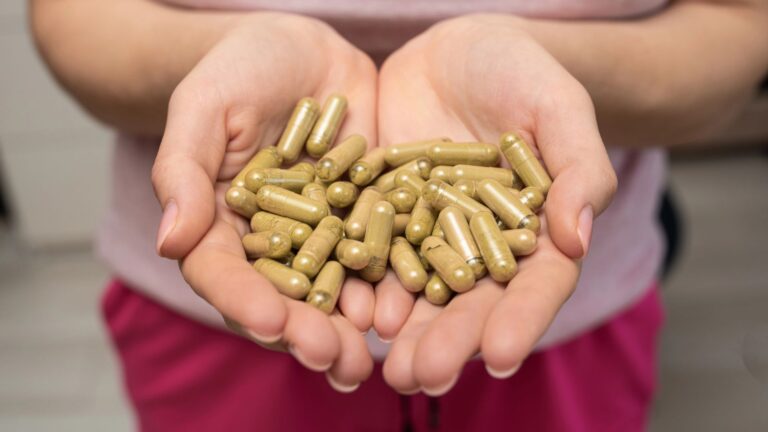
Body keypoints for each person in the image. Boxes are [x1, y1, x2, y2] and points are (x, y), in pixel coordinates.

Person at [31, 0, 768, 430]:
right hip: (217, 298)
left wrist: (554, 64)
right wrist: (213, 58)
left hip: (569, 310)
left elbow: (740, 22)